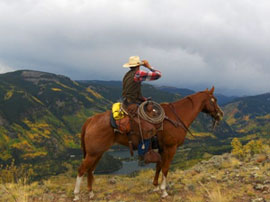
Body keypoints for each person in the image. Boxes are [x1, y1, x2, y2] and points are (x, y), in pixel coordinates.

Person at [122, 56, 162, 165]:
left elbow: (131, 91)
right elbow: (158, 75)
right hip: (133, 104)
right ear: (138, 65)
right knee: (148, 126)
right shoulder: (138, 74)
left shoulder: (127, 75)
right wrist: (149, 66)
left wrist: (142, 98)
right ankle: (142, 153)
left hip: (128, 102)